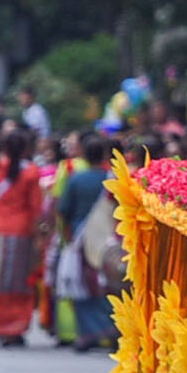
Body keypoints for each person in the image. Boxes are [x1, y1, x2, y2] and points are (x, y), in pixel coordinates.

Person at [0, 132, 46, 347]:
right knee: (19, 281)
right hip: (22, 232)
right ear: (25, 149)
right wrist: (39, 237)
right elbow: (36, 208)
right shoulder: (32, 172)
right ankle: (15, 327)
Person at [50, 141, 122, 349]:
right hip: (109, 241)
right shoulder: (112, 179)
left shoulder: (76, 180)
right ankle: (111, 331)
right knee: (108, 285)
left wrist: (67, 237)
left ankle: (88, 334)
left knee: (82, 286)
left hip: (79, 241)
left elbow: (62, 210)